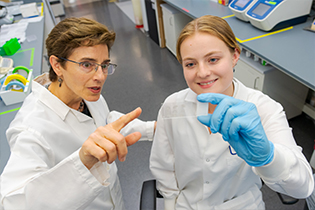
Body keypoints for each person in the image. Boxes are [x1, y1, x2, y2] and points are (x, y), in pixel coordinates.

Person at [150, 15, 314, 209]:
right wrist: (170, 204)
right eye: (190, 64)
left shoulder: (264, 109)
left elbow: (303, 187)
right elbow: (163, 166)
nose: (202, 73)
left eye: (213, 59)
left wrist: (268, 157)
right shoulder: (172, 106)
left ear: (235, 55)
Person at [0, 17, 155, 209]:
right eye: (86, 64)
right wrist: (82, 162)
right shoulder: (31, 129)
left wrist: (153, 129)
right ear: (57, 65)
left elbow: (104, 123)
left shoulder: (85, 93)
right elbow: (12, 203)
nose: (100, 76)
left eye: (104, 65)